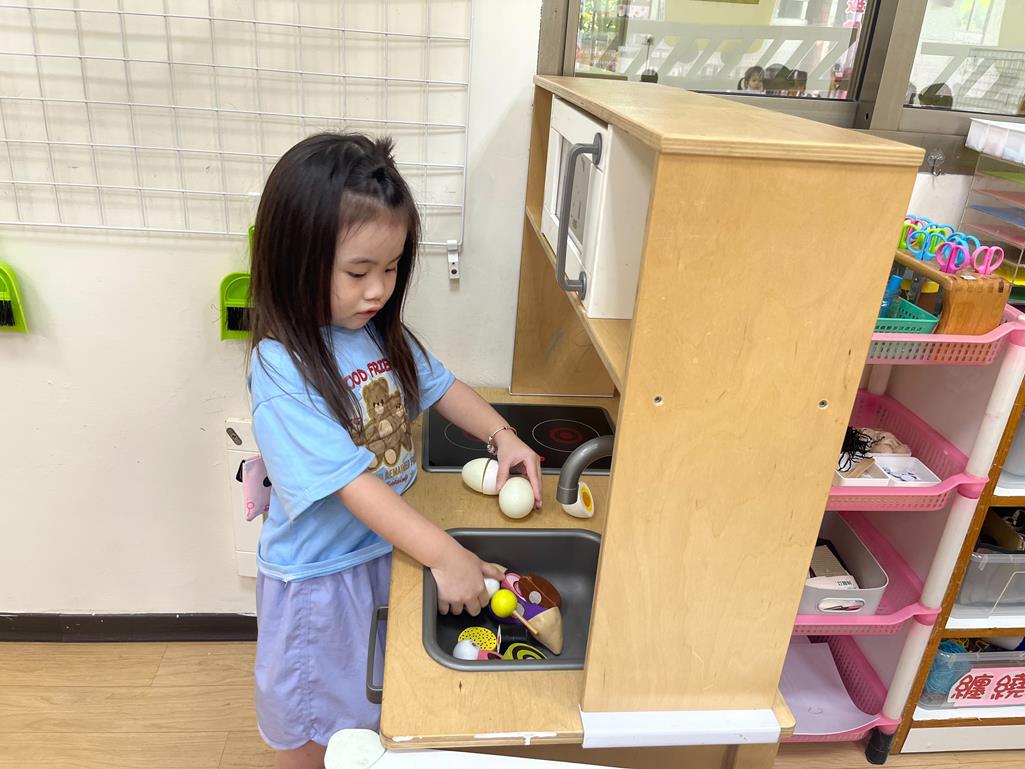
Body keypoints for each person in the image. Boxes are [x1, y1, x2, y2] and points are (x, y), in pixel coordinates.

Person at [247, 132, 544, 769]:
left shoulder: (377, 332)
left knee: (369, 716)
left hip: (382, 552)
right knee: (315, 728)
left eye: (392, 268)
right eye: (358, 272)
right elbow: (354, 485)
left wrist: (503, 435)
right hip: (322, 584)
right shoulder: (280, 369)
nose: (379, 289)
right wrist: (445, 553)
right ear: (296, 258)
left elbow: (442, 386)